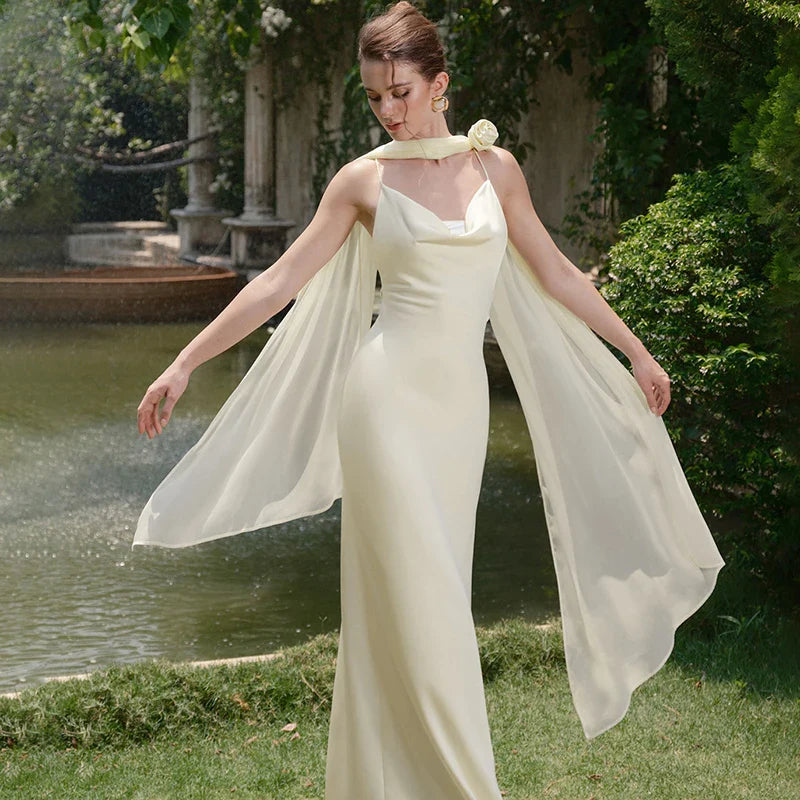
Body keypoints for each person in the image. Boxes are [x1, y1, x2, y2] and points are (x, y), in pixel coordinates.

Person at [134, 2, 725, 796]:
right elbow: (279, 282)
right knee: (427, 608)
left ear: (441, 83)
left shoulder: (496, 170)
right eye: (375, 96)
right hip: (383, 407)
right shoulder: (363, 180)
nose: (388, 110)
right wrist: (183, 362)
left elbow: (555, 273)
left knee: (430, 597)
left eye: (402, 92)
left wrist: (637, 351)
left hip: (458, 411)